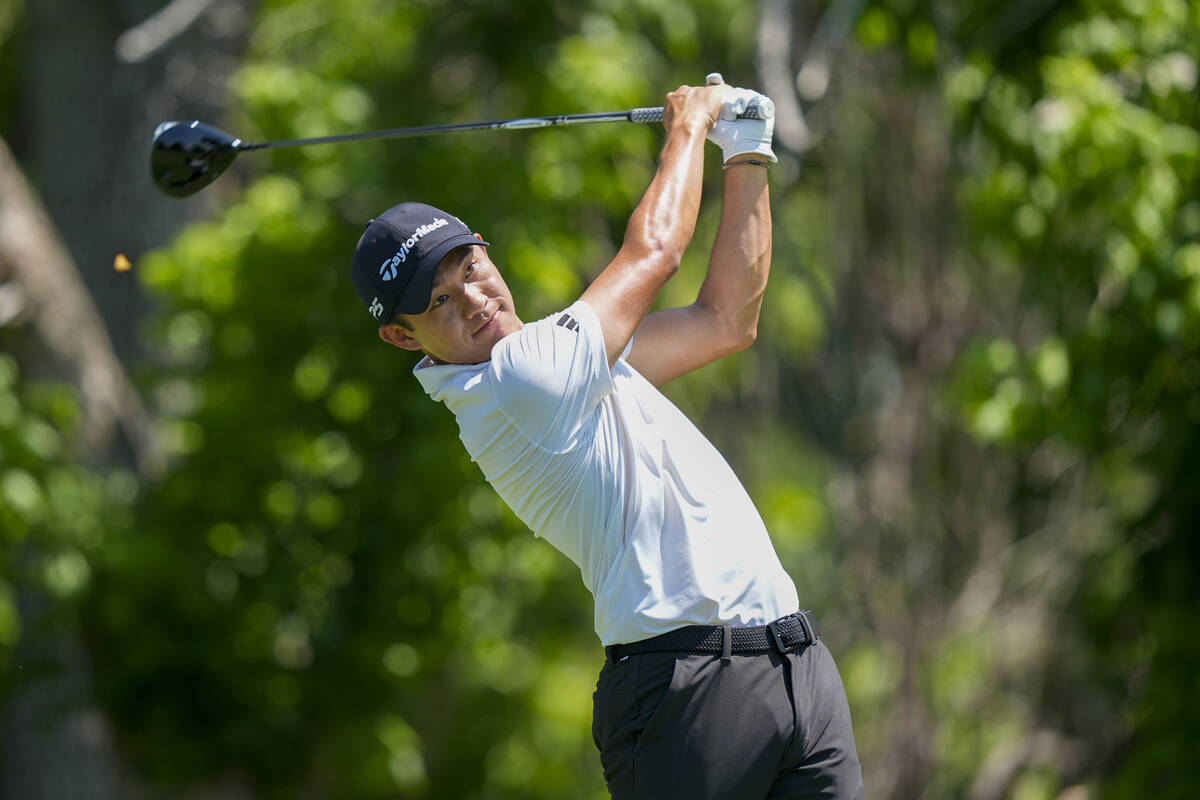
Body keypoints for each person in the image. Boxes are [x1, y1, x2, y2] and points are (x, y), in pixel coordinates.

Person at [349, 76, 864, 800]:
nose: (473, 298)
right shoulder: (522, 382)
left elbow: (726, 321)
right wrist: (690, 125)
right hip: (684, 690)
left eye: (470, 269)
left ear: (487, 252)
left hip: (793, 660)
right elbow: (654, 255)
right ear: (402, 336)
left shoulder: (569, 361)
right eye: (438, 301)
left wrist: (747, 155)